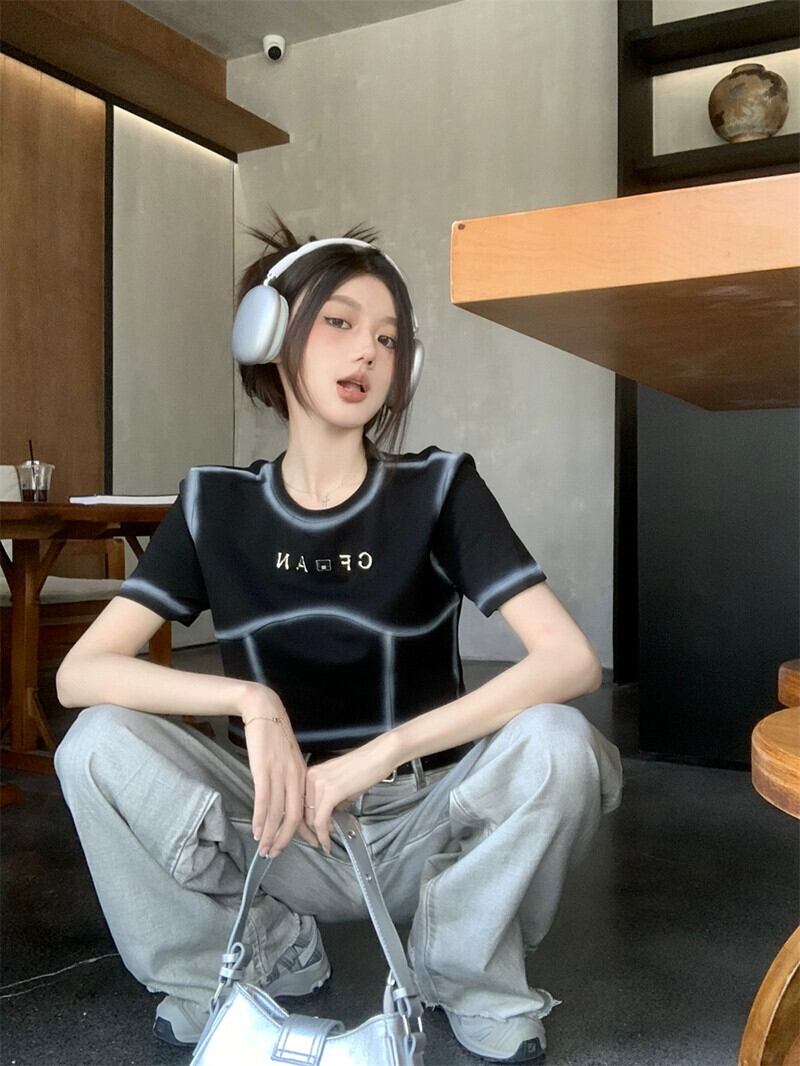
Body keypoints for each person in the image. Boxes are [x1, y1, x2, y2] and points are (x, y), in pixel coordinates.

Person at [54, 209, 623, 1064]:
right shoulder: (215, 504)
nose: (367, 354)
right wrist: (251, 702)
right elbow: (81, 674)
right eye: (340, 323)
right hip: (275, 825)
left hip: (426, 819)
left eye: (389, 339)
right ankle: (255, 958)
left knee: (561, 744)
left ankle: (462, 968)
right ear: (269, 336)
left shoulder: (440, 489)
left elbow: (570, 661)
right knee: (95, 744)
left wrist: (378, 754)